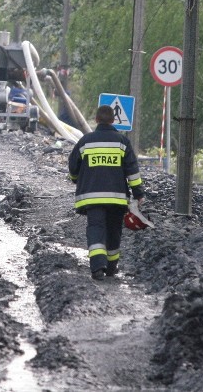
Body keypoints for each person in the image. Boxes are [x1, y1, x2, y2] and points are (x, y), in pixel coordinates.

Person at [68, 104, 145, 280]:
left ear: (96, 120)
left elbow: (73, 165)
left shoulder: (85, 141)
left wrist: (75, 178)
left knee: (95, 228)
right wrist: (138, 193)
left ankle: (97, 267)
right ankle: (111, 267)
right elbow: (132, 170)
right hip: (116, 198)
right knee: (114, 230)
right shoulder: (122, 142)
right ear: (113, 120)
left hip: (92, 197)